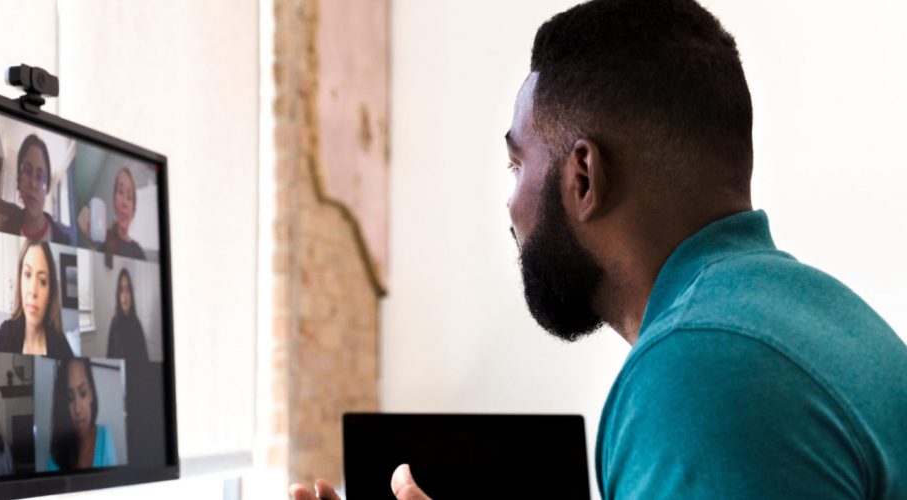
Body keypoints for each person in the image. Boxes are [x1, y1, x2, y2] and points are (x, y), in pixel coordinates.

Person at [292, 0, 907, 499]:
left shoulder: (697, 375)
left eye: (516, 163)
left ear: (583, 177)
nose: (509, 207)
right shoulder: (829, 324)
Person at [0, 134, 77, 244]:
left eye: (40, 176)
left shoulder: (64, 240)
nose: (33, 183)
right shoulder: (5, 229)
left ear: (46, 188)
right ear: (19, 181)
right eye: (27, 170)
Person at [0, 239, 75, 357]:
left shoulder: (61, 346)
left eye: (42, 281)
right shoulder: (5, 334)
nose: (33, 290)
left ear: (50, 293)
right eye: (27, 274)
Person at [48, 358, 118, 470]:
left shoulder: (106, 437)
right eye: (70, 398)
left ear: (91, 394)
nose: (77, 409)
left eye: (83, 393)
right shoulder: (57, 450)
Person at [79, 166, 147, 265]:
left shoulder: (139, 253)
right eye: (120, 192)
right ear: (114, 199)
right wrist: (90, 240)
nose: (125, 203)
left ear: (133, 209)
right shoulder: (102, 240)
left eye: (129, 197)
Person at [105, 268, 148, 361]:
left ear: (131, 295)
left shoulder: (137, 324)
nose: (125, 295)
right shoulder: (114, 323)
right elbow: (109, 355)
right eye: (121, 290)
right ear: (118, 295)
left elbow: (145, 358)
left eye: (127, 290)